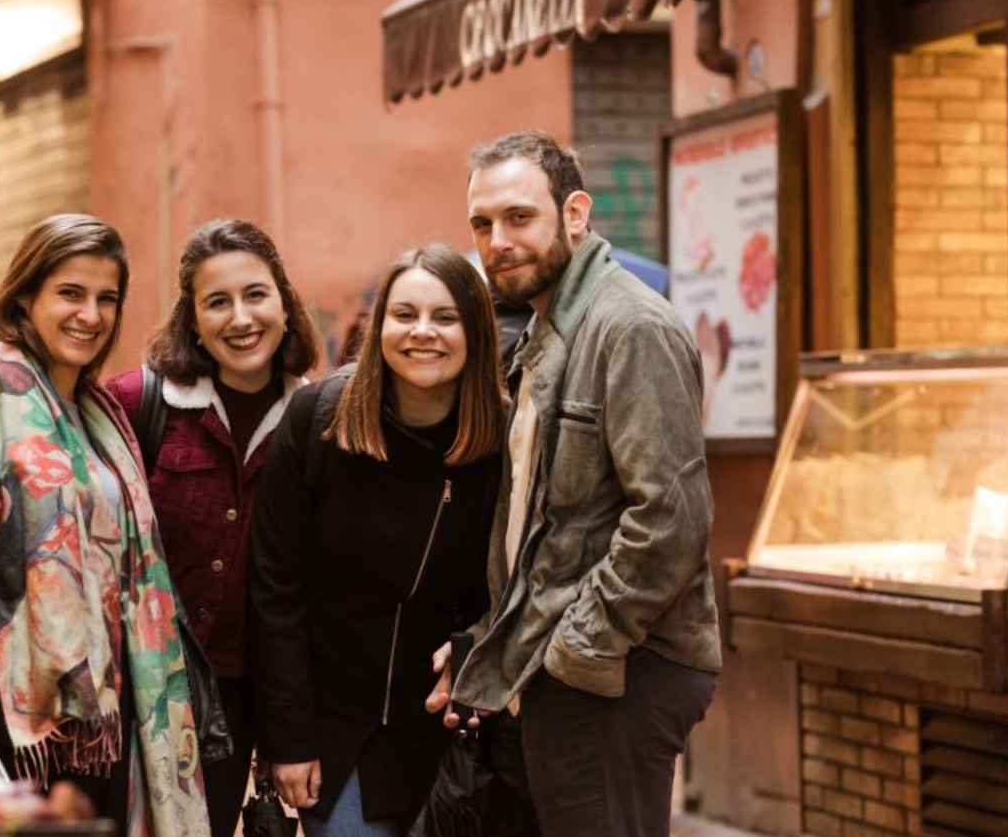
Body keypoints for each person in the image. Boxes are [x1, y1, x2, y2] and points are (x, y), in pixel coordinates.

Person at [431, 131, 721, 837]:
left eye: (519, 217)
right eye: (482, 223)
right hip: (570, 666)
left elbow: (670, 521)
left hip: (619, 668)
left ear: (576, 213)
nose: (498, 241)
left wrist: (575, 652)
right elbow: (548, 529)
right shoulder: (548, 330)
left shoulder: (628, 327)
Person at [0, 214, 221, 835]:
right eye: (70, 294)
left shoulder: (103, 418)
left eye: (107, 299)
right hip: (11, 734)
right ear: (26, 297)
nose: (91, 316)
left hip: (110, 731)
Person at [252, 245, 505, 836]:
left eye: (446, 318)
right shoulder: (318, 420)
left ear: (476, 332)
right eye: (405, 314)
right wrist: (288, 737)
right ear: (379, 325)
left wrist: (478, 646)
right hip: (338, 737)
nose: (423, 333)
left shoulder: (502, 437)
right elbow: (274, 587)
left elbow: (512, 583)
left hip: (452, 737)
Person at [107, 218, 321, 837]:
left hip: (245, 700)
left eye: (256, 295)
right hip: (141, 690)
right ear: (192, 320)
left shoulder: (318, 420)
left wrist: (288, 729)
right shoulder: (135, 404)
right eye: (217, 302)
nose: (240, 318)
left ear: (284, 302)